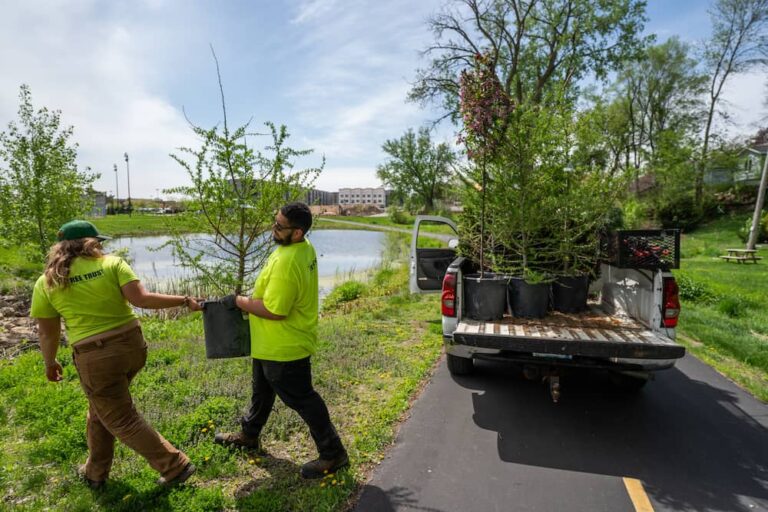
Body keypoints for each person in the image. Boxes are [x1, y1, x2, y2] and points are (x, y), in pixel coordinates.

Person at [30, 220, 202, 489]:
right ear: (92, 243)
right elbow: (141, 300)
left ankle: (174, 465)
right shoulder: (112, 264)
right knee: (101, 410)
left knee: (120, 417)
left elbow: (48, 333)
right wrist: (182, 300)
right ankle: (95, 473)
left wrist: (50, 362)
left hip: (96, 357)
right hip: (133, 347)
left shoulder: (47, 281)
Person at [214, 202, 348, 479]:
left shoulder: (289, 262)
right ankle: (249, 435)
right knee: (261, 394)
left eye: (278, 226)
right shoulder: (300, 248)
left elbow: (275, 311)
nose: (272, 229)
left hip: (285, 347)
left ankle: (333, 453)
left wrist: (238, 301)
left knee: (303, 399)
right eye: (274, 222)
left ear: (297, 232)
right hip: (269, 344)